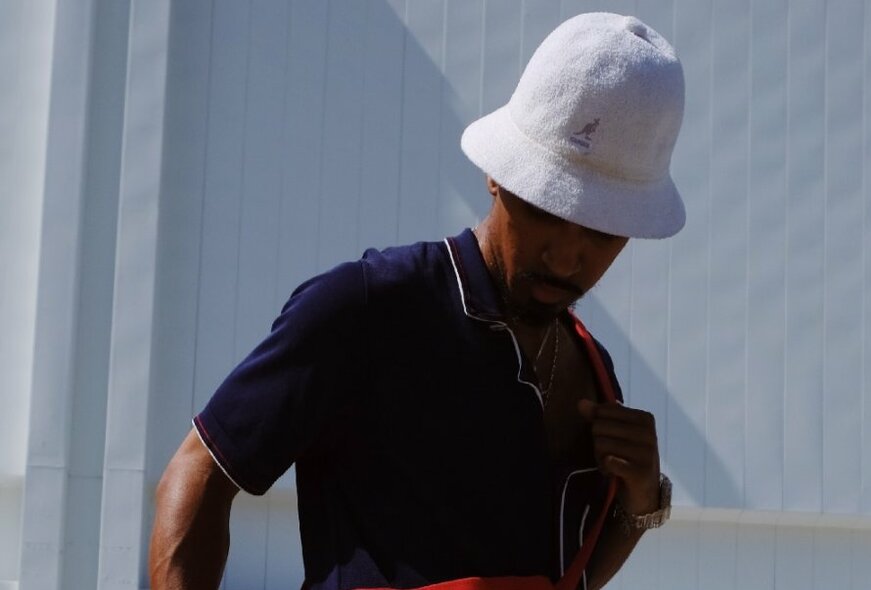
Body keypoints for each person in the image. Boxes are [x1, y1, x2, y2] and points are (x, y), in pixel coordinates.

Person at [149, 12, 685, 590]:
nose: (565, 256)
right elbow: (199, 474)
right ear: (497, 176)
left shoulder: (593, 372)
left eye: (602, 230)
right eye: (546, 208)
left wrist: (640, 504)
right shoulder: (367, 308)